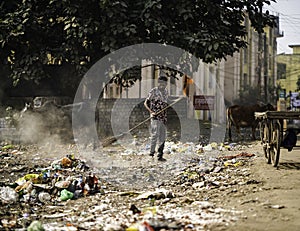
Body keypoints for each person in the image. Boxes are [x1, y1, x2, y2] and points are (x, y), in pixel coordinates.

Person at [144, 75, 169, 161]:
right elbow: (145, 103)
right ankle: (151, 154)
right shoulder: (153, 91)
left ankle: (160, 155)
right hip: (155, 117)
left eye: (164, 83)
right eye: (160, 82)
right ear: (158, 83)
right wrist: (152, 112)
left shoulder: (166, 92)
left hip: (163, 117)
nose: (162, 84)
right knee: (155, 135)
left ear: (166, 84)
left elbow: (165, 104)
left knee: (162, 136)